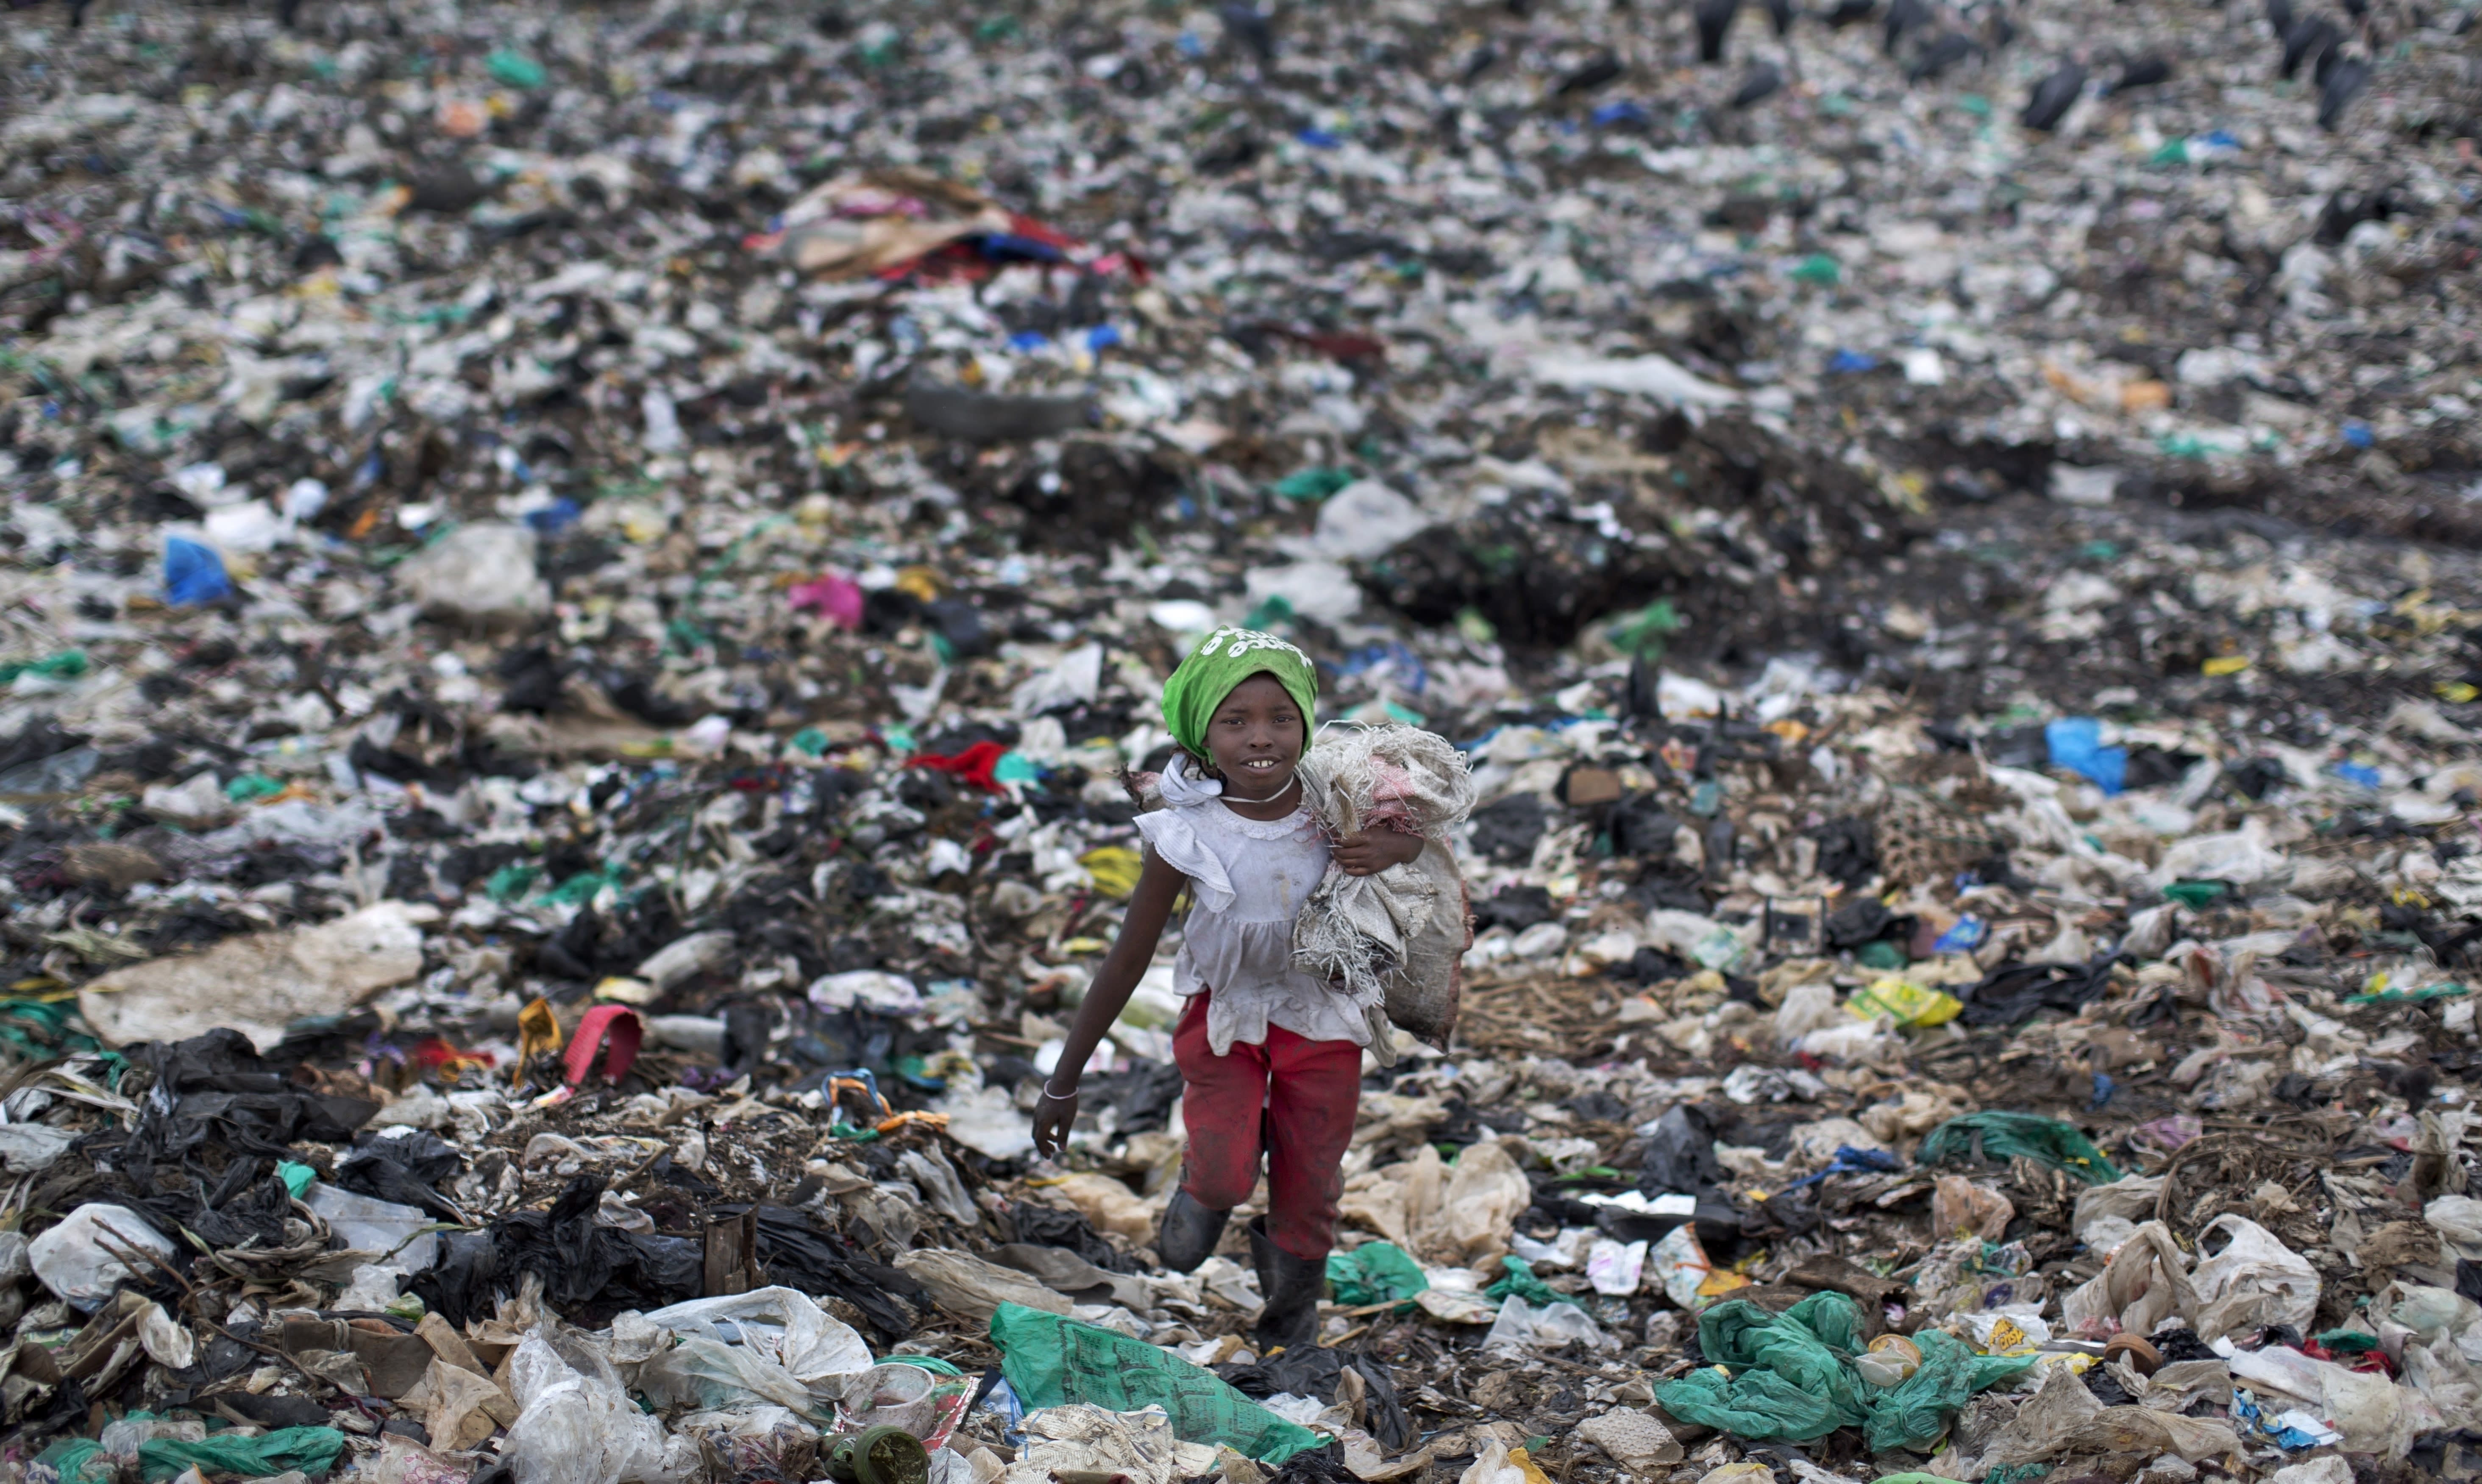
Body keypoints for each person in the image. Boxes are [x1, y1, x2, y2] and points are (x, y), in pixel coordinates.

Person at [1030, 626, 1422, 1350]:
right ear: (1203, 736)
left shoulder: (1338, 802)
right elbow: (1126, 958)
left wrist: (1395, 846)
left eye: (1281, 717)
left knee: (1311, 1181)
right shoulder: (1186, 832)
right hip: (1225, 1018)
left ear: (1307, 721)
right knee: (1223, 1170)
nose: (1261, 737)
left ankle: (1289, 1322)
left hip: (1323, 1017)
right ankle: (1205, 1198)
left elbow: (1424, 834)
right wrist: (1064, 1078)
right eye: (1235, 721)